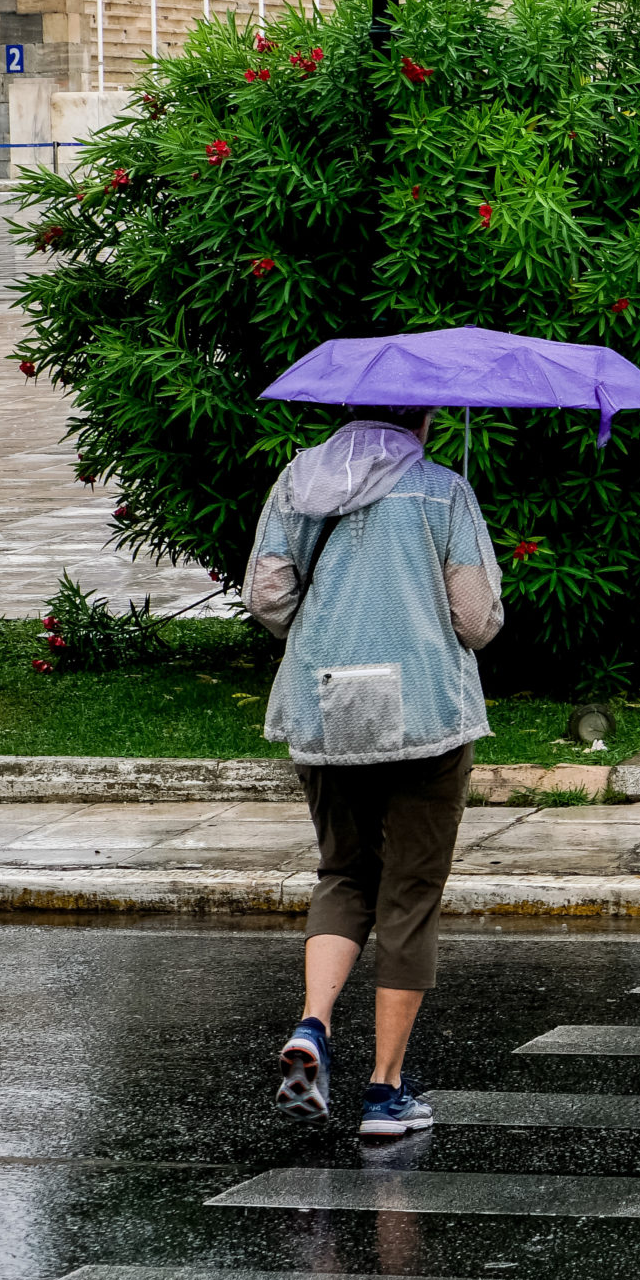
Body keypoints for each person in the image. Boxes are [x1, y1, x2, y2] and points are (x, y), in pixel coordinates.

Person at [242, 406, 504, 1140]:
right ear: (421, 419)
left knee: (345, 873)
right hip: (426, 713)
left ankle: (314, 1023)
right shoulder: (442, 490)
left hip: (325, 711)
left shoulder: (296, 481)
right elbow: (475, 619)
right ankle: (385, 1092)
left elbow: (266, 596)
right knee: (411, 894)